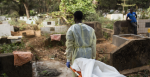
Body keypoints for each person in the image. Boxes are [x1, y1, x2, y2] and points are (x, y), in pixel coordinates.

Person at [65, 11, 97, 77]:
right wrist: (93, 57)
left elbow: (69, 45)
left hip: (77, 55)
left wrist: (68, 59)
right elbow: (93, 45)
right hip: (88, 54)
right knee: (87, 73)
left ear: (75, 18)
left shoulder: (71, 29)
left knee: (77, 73)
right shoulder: (90, 29)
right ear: (82, 18)